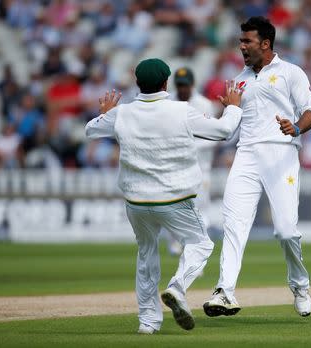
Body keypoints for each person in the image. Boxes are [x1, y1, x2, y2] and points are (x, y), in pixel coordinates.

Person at [85, 58, 243, 334]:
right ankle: (177, 287)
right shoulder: (182, 110)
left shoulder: (122, 113)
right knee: (201, 244)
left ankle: (148, 321)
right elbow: (224, 131)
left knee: (146, 255)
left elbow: (90, 130)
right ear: (165, 83)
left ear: (137, 84)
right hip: (175, 198)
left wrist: (105, 114)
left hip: (136, 202)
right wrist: (233, 108)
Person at [203, 17, 311, 318]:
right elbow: (229, 130)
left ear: (265, 43)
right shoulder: (238, 81)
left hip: (281, 152)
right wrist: (227, 108)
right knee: (234, 224)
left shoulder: (290, 72)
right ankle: (224, 291)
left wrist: (294, 127)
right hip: (246, 154)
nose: (241, 47)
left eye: (247, 42)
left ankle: (300, 285)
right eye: (241, 41)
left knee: (285, 231)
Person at [164, 67, 217, 256]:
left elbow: (212, 137)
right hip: (175, 166)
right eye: (179, 86)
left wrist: (189, 146)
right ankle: (175, 241)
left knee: (200, 208)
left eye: (185, 85)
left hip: (200, 167)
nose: (182, 89)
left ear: (192, 85)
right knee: (172, 205)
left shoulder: (204, 104)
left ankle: (197, 250)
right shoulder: (168, 102)